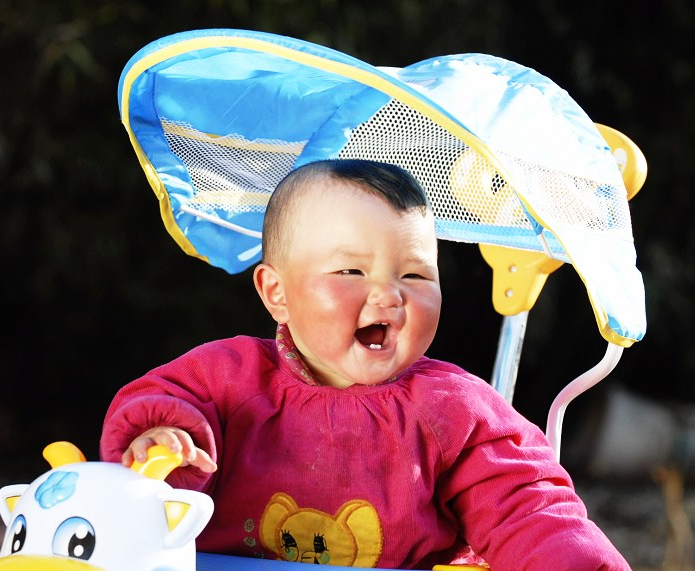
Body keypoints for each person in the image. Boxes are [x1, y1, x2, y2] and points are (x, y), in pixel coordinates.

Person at [100, 159, 631, 570]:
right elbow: (159, 407)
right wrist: (162, 441)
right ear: (276, 292)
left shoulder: (453, 410)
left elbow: (528, 506)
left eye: (416, 276)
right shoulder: (228, 378)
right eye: (351, 270)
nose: (389, 295)